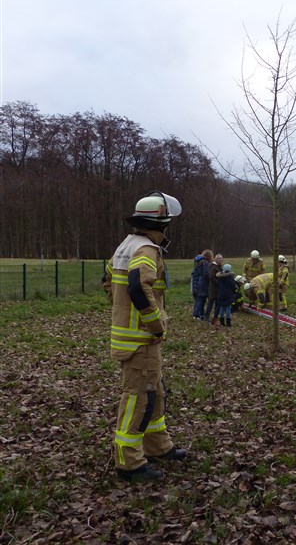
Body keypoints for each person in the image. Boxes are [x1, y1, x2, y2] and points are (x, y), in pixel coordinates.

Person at [102, 191, 187, 483]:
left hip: (132, 338)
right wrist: (156, 325)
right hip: (141, 340)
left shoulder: (126, 245)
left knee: (155, 393)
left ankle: (157, 445)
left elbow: (108, 282)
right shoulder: (147, 250)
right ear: (162, 224)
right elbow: (138, 287)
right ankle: (129, 462)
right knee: (139, 398)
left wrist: (122, 310)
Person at [206, 253, 223, 325]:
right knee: (211, 303)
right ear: (216, 259)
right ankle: (206, 316)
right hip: (213, 288)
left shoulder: (219, 267)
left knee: (218, 304)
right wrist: (218, 283)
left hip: (219, 289)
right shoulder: (213, 267)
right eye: (219, 258)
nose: (220, 260)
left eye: (221, 258)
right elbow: (211, 277)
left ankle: (215, 318)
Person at [191, 254, 209, 319]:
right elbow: (206, 274)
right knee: (199, 301)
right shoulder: (203, 266)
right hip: (199, 287)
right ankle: (197, 315)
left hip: (195, 287)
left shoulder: (196, 268)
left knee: (197, 301)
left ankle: (196, 314)